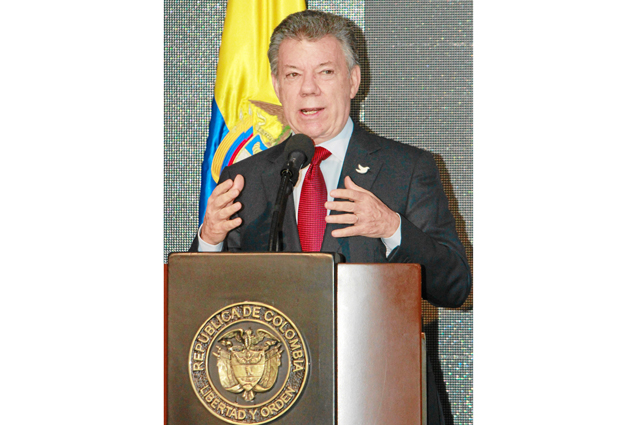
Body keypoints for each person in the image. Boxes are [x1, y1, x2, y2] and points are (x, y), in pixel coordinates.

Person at [191, 10, 471, 425]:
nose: (308, 89)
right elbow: (205, 309)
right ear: (277, 86)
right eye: (293, 75)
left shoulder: (407, 169)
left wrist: (392, 229)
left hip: (383, 400)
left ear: (353, 81)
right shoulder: (244, 178)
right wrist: (210, 240)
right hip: (275, 405)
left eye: (325, 72)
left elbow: (456, 286)